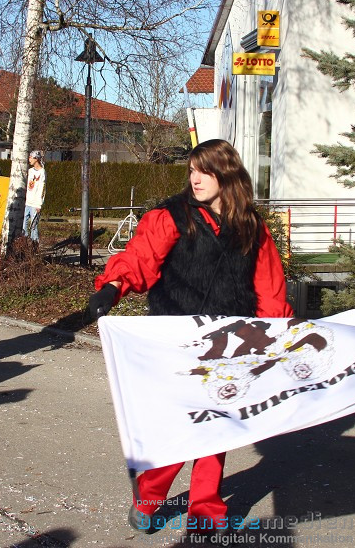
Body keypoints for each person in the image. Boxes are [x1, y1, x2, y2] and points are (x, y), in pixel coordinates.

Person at [86, 139, 293, 541]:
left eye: (205, 171)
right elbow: (139, 258)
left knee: (217, 429)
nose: (195, 179)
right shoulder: (171, 217)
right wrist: (112, 286)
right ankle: (148, 496)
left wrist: (276, 336)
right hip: (175, 340)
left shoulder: (251, 226)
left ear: (227, 175)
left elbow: (269, 287)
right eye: (192, 170)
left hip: (229, 344)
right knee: (179, 426)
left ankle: (206, 511)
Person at [24, 150, 46, 245]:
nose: (29, 159)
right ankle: (23, 245)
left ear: (36, 159)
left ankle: (34, 247)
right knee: (23, 225)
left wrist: (39, 205)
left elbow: (42, 189)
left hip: (35, 204)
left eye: (31, 157)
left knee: (33, 226)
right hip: (27, 202)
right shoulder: (30, 171)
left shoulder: (42, 172)